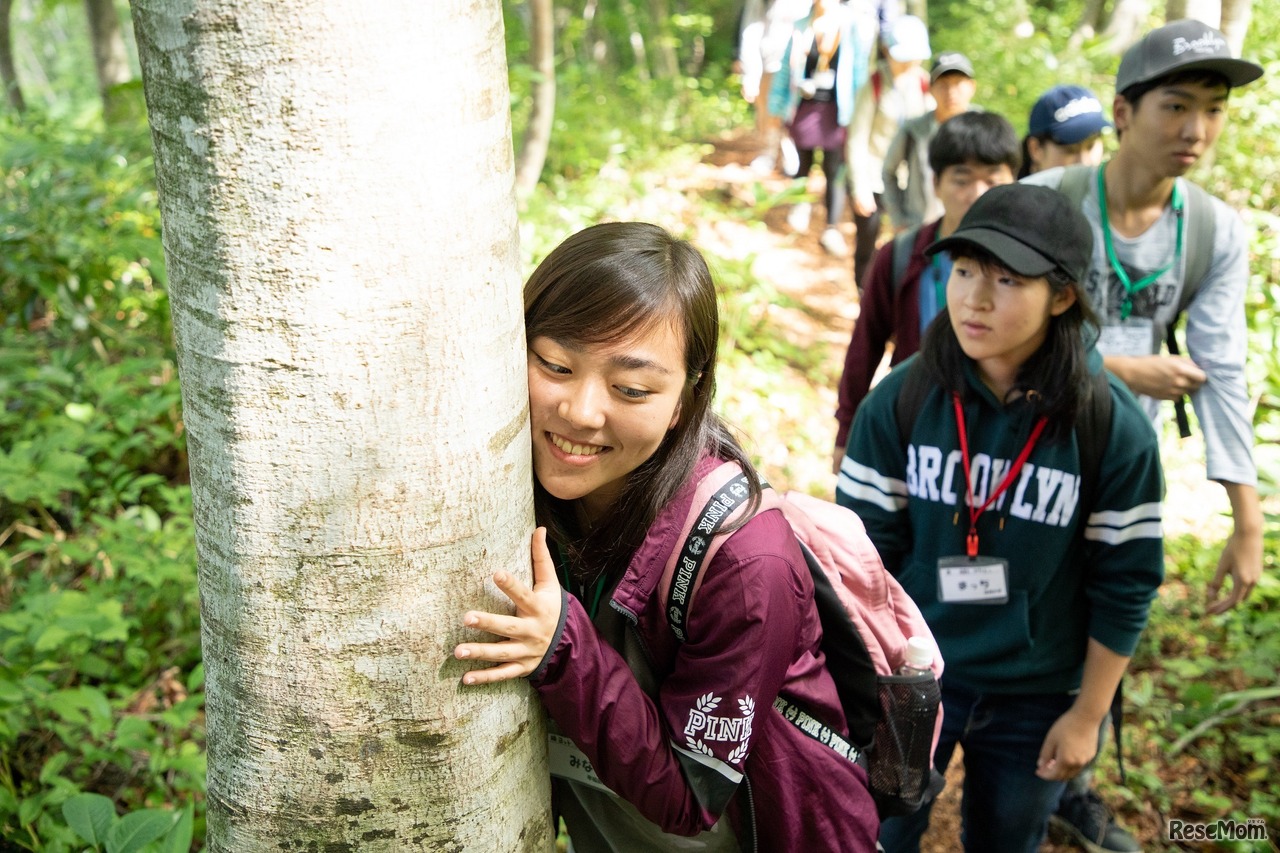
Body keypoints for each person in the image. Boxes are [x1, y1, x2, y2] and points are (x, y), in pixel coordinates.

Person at [454, 222, 880, 852]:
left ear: (685, 399)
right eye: (555, 364)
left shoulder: (743, 563)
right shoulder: (504, 485)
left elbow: (691, 792)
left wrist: (561, 648)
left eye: (631, 390)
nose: (580, 410)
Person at [836, 184, 1165, 852]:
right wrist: (867, 684)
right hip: (911, 676)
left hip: (1038, 693)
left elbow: (1125, 581)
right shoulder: (900, 402)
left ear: (1063, 296)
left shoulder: (1110, 426)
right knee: (880, 833)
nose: (974, 298)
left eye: (1008, 279)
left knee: (1008, 836)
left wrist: (1087, 714)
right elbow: (860, 562)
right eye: (963, 271)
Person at [1023, 20, 1265, 853]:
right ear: (1122, 113)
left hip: (1122, 464)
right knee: (1010, 597)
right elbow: (997, 333)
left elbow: (1222, 365)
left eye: (1213, 109)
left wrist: (1247, 519)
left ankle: (1069, 785)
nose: (1196, 129)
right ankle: (967, 760)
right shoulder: (1050, 199)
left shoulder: (1213, 231)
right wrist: (1125, 369)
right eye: (1175, 105)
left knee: (1104, 608)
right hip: (1019, 448)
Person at [832, 111, 1019, 473]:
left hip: (1002, 440)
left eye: (992, 179)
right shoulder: (902, 256)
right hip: (912, 428)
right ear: (936, 183)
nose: (976, 194)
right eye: (961, 180)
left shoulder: (1033, 270)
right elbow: (865, 344)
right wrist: (846, 432)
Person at [769, 0, 871, 256]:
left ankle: (831, 227)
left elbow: (859, 70)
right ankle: (800, 208)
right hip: (805, 105)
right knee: (802, 162)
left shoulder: (850, 26)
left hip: (837, 109)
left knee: (833, 168)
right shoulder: (801, 25)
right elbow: (784, 68)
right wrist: (777, 106)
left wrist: (859, 113)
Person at [845, 14, 933, 287]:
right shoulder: (875, 83)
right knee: (867, 242)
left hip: (909, 180)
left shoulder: (924, 83)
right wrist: (859, 186)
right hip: (872, 176)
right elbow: (857, 138)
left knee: (908, 245)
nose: (908, 63)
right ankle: (864, 295)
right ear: (887, 51)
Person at [879, 51, 977, 232]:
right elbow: (888, 172)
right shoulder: (914, 129)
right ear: (930, 88)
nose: (951, 92)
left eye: (958, 83)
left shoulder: (984, 129)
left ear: (972, 86)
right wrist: (898, 219)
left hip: (970, 231)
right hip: (920, 231)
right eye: (944, 85)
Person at [736, 0, 811, 174]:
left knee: (793, 113)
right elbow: (751, 33)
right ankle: (767, 155)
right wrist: (750, 74)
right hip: (770, 64)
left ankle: (790, 157)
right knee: (768, 113)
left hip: (799, 68)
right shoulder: (761, 3)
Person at [1017, 84, 1111, 179]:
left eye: (1090, 146)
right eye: (1070, 150)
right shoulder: (1012, 192)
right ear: (1035, 149)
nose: (1084, 162)